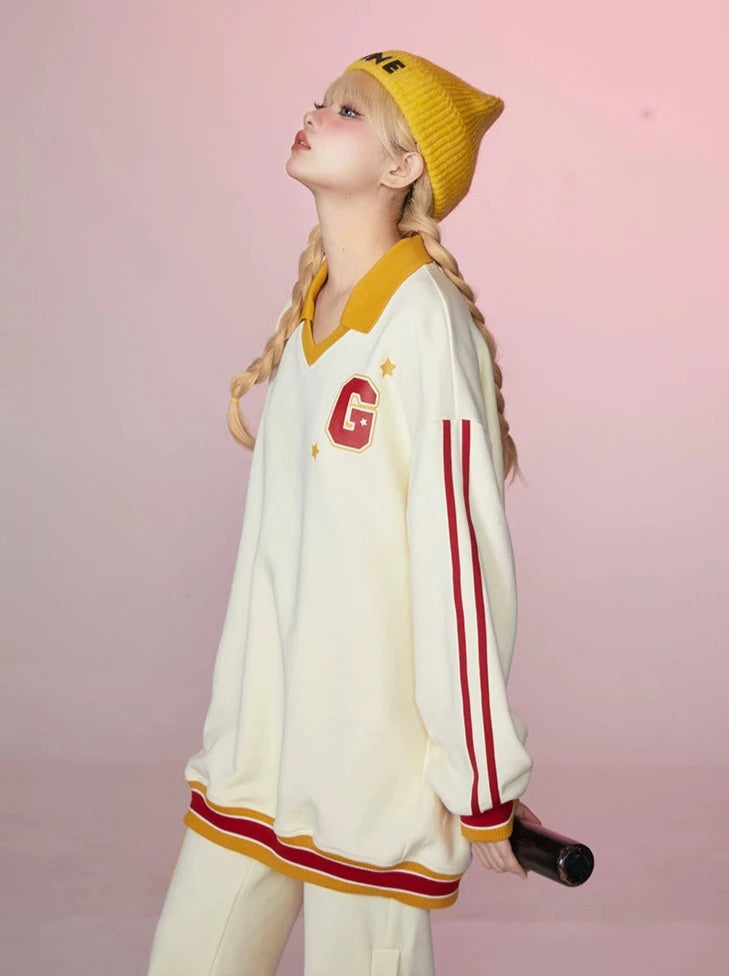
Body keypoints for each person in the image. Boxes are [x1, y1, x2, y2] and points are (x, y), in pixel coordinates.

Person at [146, 48, 542, 976]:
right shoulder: (309, 315)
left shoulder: (423, 324)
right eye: (321, 102)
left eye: (350, 111)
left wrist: (480, 777)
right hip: (258, 755)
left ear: (402, 166)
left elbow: (457, 566)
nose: (316, 115)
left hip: (369, 777)